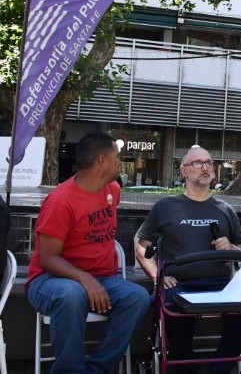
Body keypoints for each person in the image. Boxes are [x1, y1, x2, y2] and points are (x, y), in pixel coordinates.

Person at [26, 133, 150, 373]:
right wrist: (86, 280)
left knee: (138, 297)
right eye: (116, 157)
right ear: (101, 161)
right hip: (49, 280)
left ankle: (98, 369)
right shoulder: (61, 201)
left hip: (101, 279)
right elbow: (47, 258)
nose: (119, 162)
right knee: (72, 294)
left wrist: (93, 281)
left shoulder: (112, 189)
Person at [135, 146, 241, 373]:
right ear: (184, 171)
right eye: (198, 163)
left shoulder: (224, 209)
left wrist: (231, 246)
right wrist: (158, 276)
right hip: (179, 283)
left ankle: (220, 367)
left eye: (208, 162)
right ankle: (185, 364)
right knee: (172, 306)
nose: (205, 167)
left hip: (219, 283)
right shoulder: (165, 207)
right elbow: (141, 245)